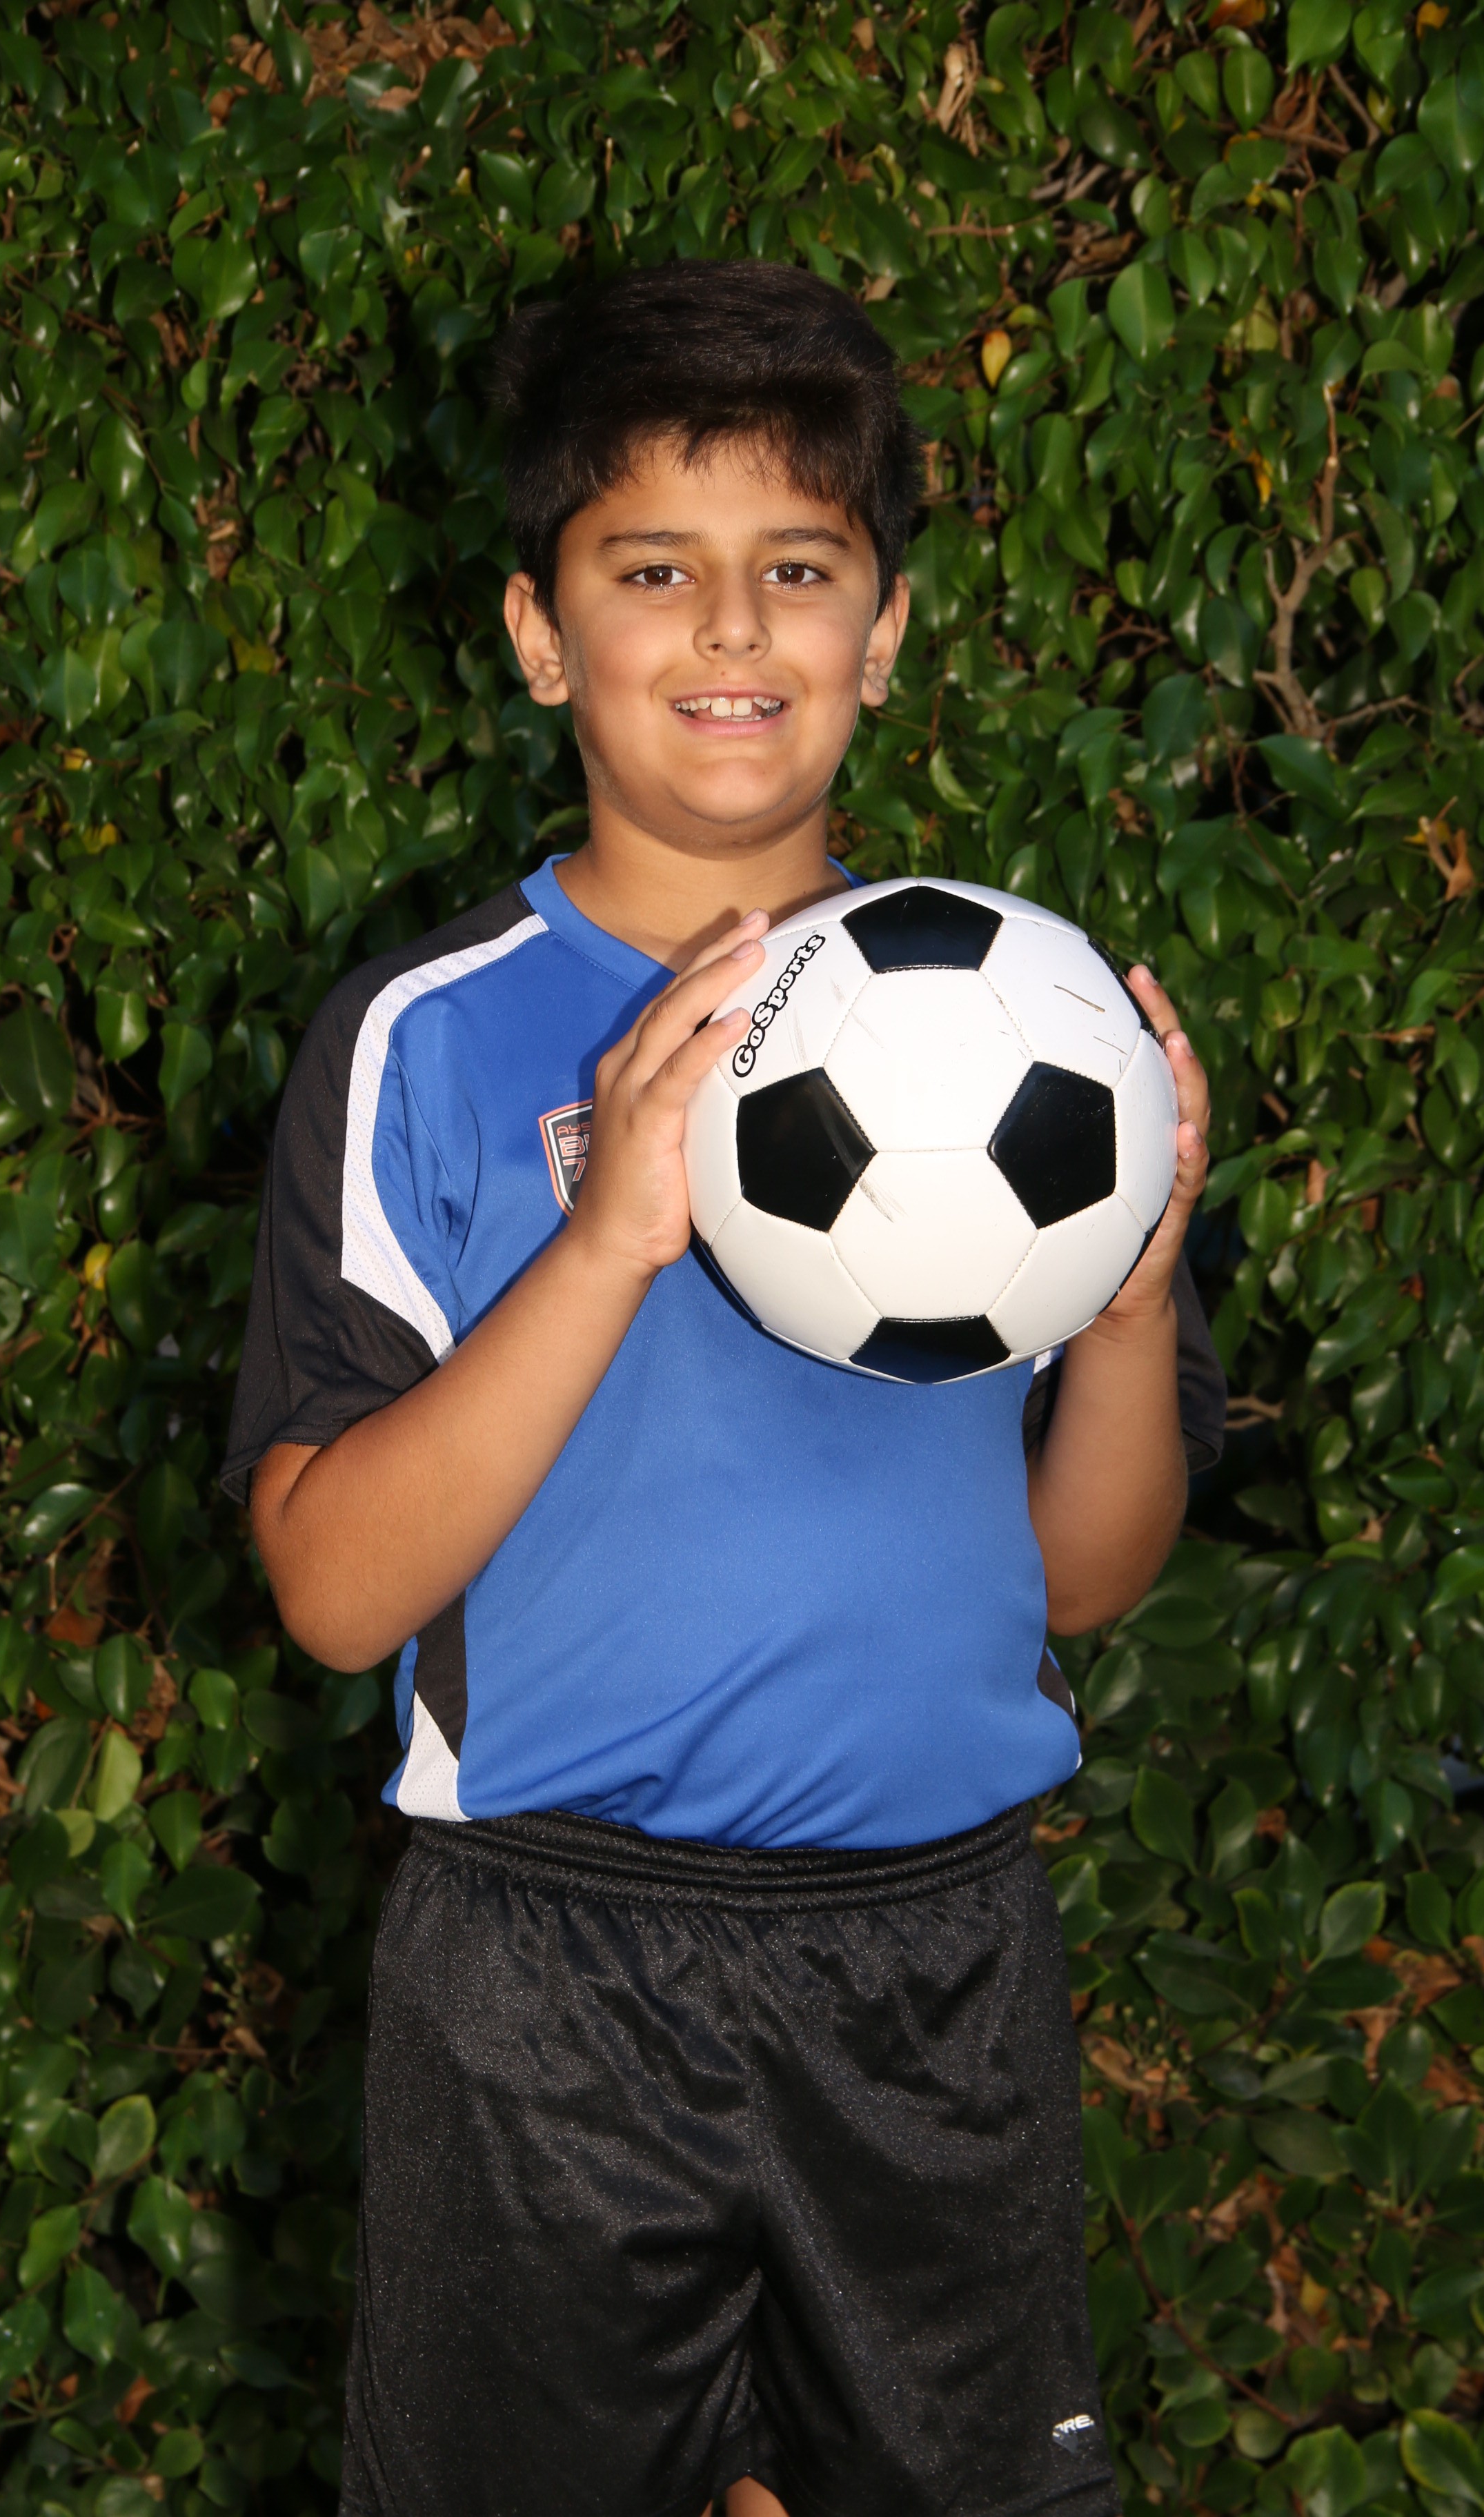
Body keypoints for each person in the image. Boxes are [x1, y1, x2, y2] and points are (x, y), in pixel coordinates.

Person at [222, 259, 1224, 2517]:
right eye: (653, 570)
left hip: (936, 1959)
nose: (734, 628)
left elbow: (1081, 1582)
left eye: (800, 567)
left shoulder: (1022, 1040)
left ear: (886, 632)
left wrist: (1131, 1306)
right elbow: (335, 1593)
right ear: (538, 635)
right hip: (549, 1973)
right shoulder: (426, 1043)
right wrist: (607, 1240)